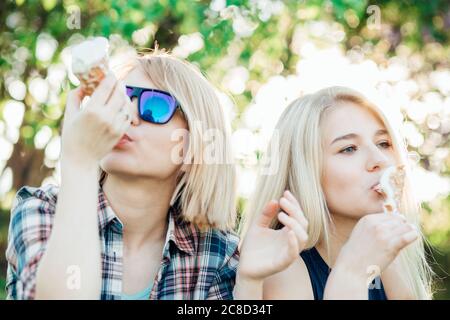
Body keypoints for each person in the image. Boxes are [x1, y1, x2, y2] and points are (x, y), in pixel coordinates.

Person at [6, 50, 239, 300]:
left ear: (194, 147)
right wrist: (79, 160)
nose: (128, 115)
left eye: (155, 106)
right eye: (121, 100)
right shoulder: (42, 211)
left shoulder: (218, 254)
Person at [235, 86, 433, 300]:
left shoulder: (389, 256)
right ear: (306, 172)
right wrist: (351, 276)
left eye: (383, 143)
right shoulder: (284, 269)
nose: (380, 160)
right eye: (348, 149)